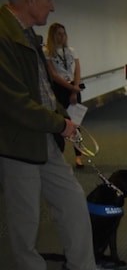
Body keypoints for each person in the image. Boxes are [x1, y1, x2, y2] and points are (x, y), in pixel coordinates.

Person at [0, 0, 114, 270]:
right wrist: (59, 123)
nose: (51, 8)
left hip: (45, 135)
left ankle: (81, 266)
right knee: (25, 215)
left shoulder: (27, 34)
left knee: (72, 198)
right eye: (48, 0)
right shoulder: (4, 34)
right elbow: (12, 101)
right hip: (17, 142)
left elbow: (43, 89)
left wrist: (62, 115)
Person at [45, 22, 83, 168]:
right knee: (60, 124)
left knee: (76, 124)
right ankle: (59, 156)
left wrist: (74, 89)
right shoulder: (47, 52)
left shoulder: (71, 50)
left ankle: (79, 156)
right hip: (59, 90)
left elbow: (77, 70)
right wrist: (71, 88)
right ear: (52, 35)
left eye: (63, 34)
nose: (62, 37)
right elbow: (53, 75)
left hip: (73, 87)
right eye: (58, 34)